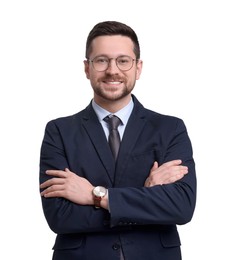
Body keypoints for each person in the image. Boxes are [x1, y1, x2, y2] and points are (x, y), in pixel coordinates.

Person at [39, 21, 196, 260]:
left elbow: (181, 207)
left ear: (138, 68)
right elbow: (60, 216)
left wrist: (96, 196)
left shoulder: (170, 128)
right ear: (87, 68)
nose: (113, 70)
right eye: (102, 60)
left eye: (123, 61)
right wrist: (145, 198)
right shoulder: (59, 131)